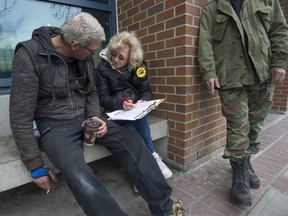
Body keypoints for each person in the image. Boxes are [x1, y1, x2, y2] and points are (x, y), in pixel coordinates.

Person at [9, 12, 184, 216]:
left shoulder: (82, 55)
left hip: (86, 117)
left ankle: (164, 209)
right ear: (76, 45)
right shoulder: (28, 55)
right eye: (92, 50)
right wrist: (35, 165)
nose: (94, 55)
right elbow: (20, 114)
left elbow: (91, 91)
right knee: (78, 173)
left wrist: (95, 116)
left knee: (133, 140)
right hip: (55, 125)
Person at [197, 0, 288, 206]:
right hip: (230, 77)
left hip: (262, 74)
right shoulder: (212, 10)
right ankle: (239, 174)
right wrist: (209, 71)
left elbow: (279, 29)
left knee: (255, 126)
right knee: (238, 127)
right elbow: (205, 43)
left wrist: (281, 61)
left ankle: (245, 163)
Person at [95, 31, 173, 179]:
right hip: (115, 113)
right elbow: (102, 98)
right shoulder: (102, 69)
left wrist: (143, 99)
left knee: (133, 131)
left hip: (134, 112)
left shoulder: (139, 67)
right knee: (138, 124)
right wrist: (120, 103)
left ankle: (140, 175)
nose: (115, 59)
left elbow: (146, 91)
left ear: (130, 58)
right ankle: (152, 156)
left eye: (121, 57)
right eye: (113, 54)